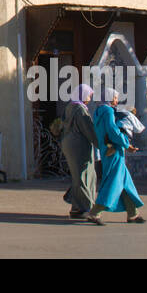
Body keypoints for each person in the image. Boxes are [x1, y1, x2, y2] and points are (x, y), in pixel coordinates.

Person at [86, 89, 145, 225]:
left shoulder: (98, 111)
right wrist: (126, 143)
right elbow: (112, 131)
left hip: (107, 149)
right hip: (114, 150)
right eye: (115, 98)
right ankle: (95, 212)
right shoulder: (108, 111)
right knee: (114, 181)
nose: (117, 101)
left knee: (124, 181)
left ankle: (132, 213)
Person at [58, 84, 100, 219]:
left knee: (78, 176)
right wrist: (101, 144)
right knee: (85, 175)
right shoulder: (80, 110)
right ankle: (86, 208)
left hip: (69, 144)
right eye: (88, 95)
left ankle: (77, 207)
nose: (89, 98)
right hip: (79, 146)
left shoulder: (70, 107)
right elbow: (88, 129)